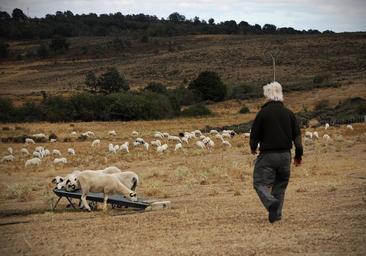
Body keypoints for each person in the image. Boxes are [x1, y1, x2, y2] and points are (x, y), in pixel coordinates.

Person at [249, 81, 303, 223]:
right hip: (286, 155)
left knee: (259, 183)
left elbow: (254, 135)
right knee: (280, 185)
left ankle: (271, 203)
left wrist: (253, 148)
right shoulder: (289, 114)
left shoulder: (263, 113)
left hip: (268, 156)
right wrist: (298, 155)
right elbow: (297, 138)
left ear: (267, 95)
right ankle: (275, 215)